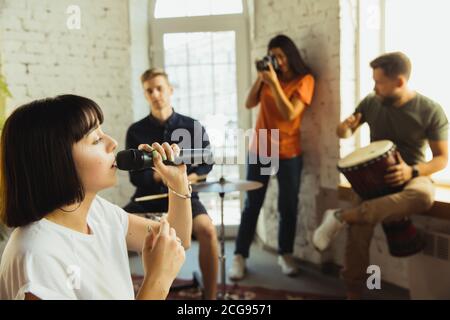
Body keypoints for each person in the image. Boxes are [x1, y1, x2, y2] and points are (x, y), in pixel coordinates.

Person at [0, 95, 192, 300]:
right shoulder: (37, 255)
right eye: (96, 139)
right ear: (58, 162)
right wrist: (157, 281)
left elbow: (177, 239)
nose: (113, 143)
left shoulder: (99, 213)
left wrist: (177, 182)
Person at [313, 52, 449, 299]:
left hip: (412, 173)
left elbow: (442, 159)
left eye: (379, 82)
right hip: (372, 175)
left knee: (422, 197)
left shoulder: (430, 110)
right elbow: (344, 132)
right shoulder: (371, 102)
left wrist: (412, 171)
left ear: (399, 82)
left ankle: (341, 216)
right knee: (359, 231)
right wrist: (344, 127)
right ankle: (353, 292)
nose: (374, 88)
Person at [123, 68, 219, 300]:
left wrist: (180, 180)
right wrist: (165, 175)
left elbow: (206, 164)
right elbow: (136, 177)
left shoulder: (192, 125)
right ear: (145, 95)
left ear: (170, 90)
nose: (155, 94)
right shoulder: (136, 131)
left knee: (207, 230)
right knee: (112, 230)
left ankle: (211, 297)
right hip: (145, 198)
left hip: (185, 195)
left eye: (159, 88)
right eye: (149, 90)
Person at [229, 34, 315, 280]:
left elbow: (290, 114)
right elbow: (248, 103)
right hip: (261, 148)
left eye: (280, 56)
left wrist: (274, 82)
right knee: (252, 203)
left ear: (290, 55)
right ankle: (239, 256)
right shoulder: (267, 78)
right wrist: (261, 78)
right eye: (273, 56)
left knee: (287, 206)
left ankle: (285, 253)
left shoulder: (305, 80)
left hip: (288, 152)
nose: (277, 61)